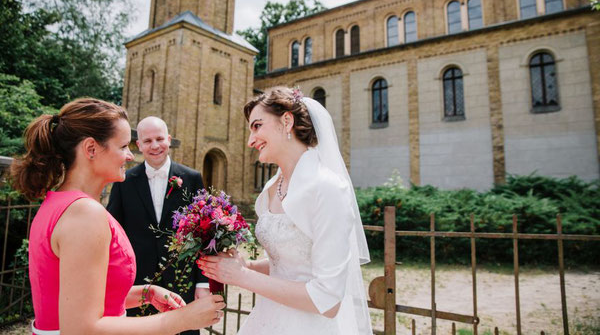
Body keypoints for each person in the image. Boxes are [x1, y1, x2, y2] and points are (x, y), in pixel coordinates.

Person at [10, 98, 224, 335]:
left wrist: (146, 293)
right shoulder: (85, 214)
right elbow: (81, 329)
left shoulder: (60, 203)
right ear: (91, 149)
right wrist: (180, 320)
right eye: (123, 147)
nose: (130, 156)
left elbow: (82, 297)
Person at [198, 87, 373, 334]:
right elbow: (291, 261)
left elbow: (328, 300)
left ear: (286, 121)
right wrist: (246, 265)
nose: (250, 140)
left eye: (257, 126)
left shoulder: (328, 188)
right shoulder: (272, 187)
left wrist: (241, 277)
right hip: (269, 317)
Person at [107, 116, 209, 334]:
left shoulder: (192, 178)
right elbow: (113, 234)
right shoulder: (123, 181)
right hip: (138, 286)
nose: (155, 146)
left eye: (160, 139)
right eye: (148, 141)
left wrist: (203, 284)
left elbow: (204, 234)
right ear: (138, 145)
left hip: (183, 282)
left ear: (169, 139)